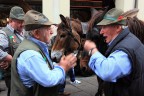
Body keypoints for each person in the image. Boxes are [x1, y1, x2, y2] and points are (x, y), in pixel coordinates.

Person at [10, 10, 77, 96]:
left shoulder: (35, 46)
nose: (52, 32)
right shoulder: (31, 55)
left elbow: (43, 65)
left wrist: (58, 64)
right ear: (37, 33)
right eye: (48, 29)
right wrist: (63, 67)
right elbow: (49, 80)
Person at [84, 8, 144, 96]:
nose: (101, 32)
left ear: (118, 27)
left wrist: (93, 50)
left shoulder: (124, 50)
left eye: (104, 27)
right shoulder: (130, 40)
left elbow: (107, 72)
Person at [0, 6, 25, 96]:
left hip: (24, 73)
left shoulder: (23, 32)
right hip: (12, 75)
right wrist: (9, 58)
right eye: (19, 22)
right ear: (10, 21)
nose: (22, 24)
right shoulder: (4, 33)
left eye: (23, 21)